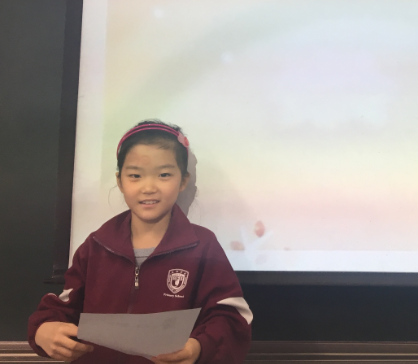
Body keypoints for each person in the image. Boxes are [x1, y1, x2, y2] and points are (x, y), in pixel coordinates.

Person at [28, 120, 252, 364]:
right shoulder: (96, 245)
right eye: (135, 175)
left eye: (164, 175)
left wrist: (199, 347)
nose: (148, 187)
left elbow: (231, 317)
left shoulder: (203, 246)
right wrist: (43, 329)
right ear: (120, 180)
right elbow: (63, 307)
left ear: (183, 181)